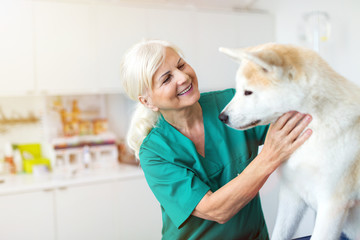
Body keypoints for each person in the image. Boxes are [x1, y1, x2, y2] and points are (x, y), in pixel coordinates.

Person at [120, 39, 313, 240]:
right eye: (167, 79)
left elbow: (297, 123)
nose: (183, 77)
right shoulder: (154, 152)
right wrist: (270, 156)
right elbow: (215, 210)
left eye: (181, 65)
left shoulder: (232, 104)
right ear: (147, 101)